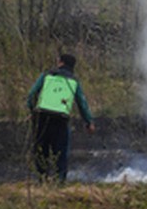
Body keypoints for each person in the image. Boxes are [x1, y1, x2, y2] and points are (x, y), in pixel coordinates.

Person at [26, 52, 96, 183]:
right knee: (61, 153)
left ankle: (42, 181)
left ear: (61, 63)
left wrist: (33, 111)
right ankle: (60, 183)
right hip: (61, 120)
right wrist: (89, 122)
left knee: (41, 152)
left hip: (42, 118)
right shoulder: (74, 81)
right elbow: (82, 103)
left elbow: (31, 95)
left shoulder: (46, 75)